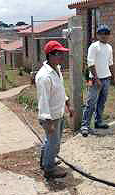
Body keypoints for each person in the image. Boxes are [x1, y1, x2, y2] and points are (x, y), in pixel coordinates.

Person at [35, 40, 74, 179]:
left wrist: (68, 104)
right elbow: (43, 100)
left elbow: (60, 91)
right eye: (59, 54)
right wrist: (48, 121)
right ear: (50, 55)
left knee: (50, 141)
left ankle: (45, 161)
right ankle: (49, 169)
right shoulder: (44, 76)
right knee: (54, 144)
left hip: (58, 113)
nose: (62, 57)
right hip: (50, 116)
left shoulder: (56, 70)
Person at [80, 24, 115, 136]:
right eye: (101, 33)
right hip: (94, 79)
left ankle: (98, 122)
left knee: (102, 101)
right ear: (97, 35)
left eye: (106, 33)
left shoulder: (109, 47)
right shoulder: (94, 46)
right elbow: (90, 64)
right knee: (91, 103)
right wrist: (96, 79)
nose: (104, 36)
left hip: (106, 79)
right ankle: (85, 125)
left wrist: (114, 77)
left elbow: (110, 63)